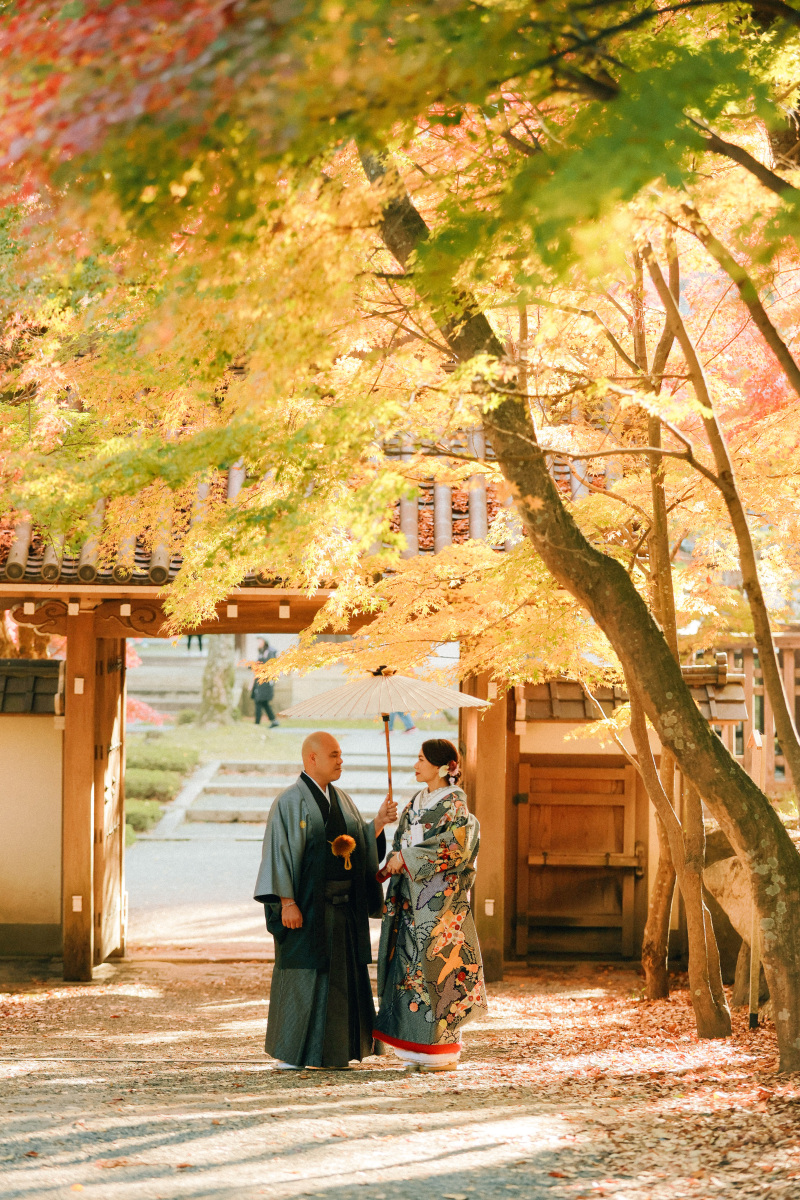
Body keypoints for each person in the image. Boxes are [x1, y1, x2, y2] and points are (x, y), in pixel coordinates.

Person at [254, 731, 397, 1070]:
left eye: (341, 755)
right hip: (305, 907)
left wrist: (377, 823)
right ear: (312, 759)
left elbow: (355, 842)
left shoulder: (342, 799)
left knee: (342, 980)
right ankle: (291, 1053)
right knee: (303, 976)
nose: (340, 761)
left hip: (343, 909)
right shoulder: (289, 801)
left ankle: (335, 1052)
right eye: (334, 755)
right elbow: (279, 853)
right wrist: (286, 902)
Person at [373, 737, 486, 1073]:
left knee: (438, 972)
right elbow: (403, 842)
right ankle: (412, 1045)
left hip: (438, 905)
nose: (415, 765)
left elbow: (456, 848)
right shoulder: (416, 802)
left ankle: (438, 1048)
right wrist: (397, 854)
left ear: (440, 766)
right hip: (410, 899)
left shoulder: (455, 808)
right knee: (408, 970)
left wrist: (406, 858)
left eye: (421, 759)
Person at [251, 637, 279, 727]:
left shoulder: (270, 652)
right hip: (260, 680)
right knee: (263, 702)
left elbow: (271, 667)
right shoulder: (261, 652)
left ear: (264, 641)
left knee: (259, 701)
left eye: (260, 641)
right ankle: (273, 721)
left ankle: (257, 723)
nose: (258, 643)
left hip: (266, 682)